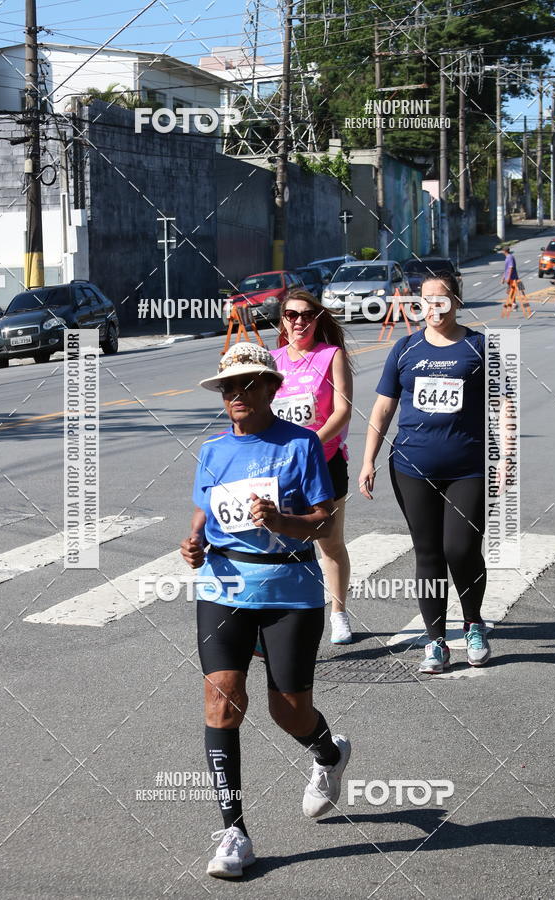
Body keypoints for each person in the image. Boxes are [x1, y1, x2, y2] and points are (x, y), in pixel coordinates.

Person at [180, 342, 351, 879]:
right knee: (222, 702)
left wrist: (282, 523)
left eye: (248, 384)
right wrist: (193, 544)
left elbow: (322, 522)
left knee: (288, 711)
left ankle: (327, 752)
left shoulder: (301, 445)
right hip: (222, 589)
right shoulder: (211, 451)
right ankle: (234, 832)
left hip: (289, 592)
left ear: (272, 389)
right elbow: (203, 513)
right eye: (228, 386)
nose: (236, 394)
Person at [358, 272, 493, 675]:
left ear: (456, 301)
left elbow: (503, 404)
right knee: (428, 552)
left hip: (467, 467)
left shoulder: (480, 346)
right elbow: (383, 408)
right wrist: (368, 460)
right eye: (427, 299)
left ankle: (473, 624)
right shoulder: (404, 349)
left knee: (461, 549)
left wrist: (504, 458)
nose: (434, 307)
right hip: (411, 467)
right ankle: (436, 640)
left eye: (442, 299)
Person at [271, 289, 354, 644]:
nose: (299, 321)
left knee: (329, 543)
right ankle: (283, 616)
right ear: (283, 321)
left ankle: (338, 613)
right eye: (291, 315)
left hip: (325, 462)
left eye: (306, 315)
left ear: (317, 320)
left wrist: (311, 443)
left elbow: (343, 410)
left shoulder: (331, 355)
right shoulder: (271, 360)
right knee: (278, 543)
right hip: (281, 468)